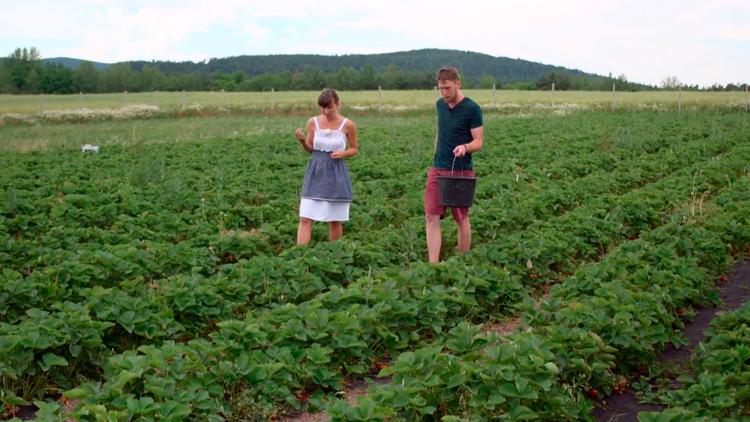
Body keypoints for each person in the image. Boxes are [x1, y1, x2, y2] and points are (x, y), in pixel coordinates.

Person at [424, 66, 484, 262]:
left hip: (460, 170)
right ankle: (433, 264)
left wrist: (465, 147)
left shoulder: (472, 109)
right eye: (440, 88)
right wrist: (435, 156)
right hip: (438, 168)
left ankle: (462, 260)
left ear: (458, 84)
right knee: (431, 216)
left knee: (461, 217)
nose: (444, 93)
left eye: (447, 88)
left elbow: (479, 141)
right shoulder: (440, 105)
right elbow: (439, 132)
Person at [293, 89, 358, 245]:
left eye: (330, 107)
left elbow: (354, 148)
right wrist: (302, 141)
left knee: (335, 220)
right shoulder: (313, 122)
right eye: (323, 107)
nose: (326, 111)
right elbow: (310, 149)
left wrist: (344, 153)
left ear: (337, 104)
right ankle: (300, 254)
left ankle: (334, 253)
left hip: (336, 173)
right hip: (316, 172)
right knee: (305, 217)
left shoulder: (348, 124)